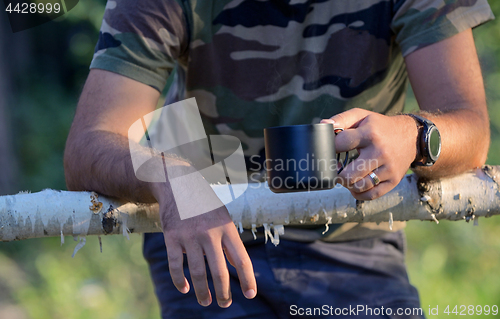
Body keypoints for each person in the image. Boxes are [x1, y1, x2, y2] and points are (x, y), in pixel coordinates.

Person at [64, 0, 493, 318]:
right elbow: (87, 144)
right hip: (207, 240)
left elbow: (471, 129)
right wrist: (173, 178)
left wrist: (413, 135)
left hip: (353, 245)